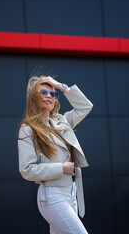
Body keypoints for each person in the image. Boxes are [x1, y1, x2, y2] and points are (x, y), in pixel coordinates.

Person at [18, 75, 93, 234]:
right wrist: (61, 168)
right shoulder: (28, 129)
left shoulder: (62, 121)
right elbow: (27, 169)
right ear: (34, 98)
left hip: (71, 192)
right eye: (43, 92)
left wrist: (60, 86)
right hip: (52, 195)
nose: (49, 96)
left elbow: (85, 107)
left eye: (53, 94)